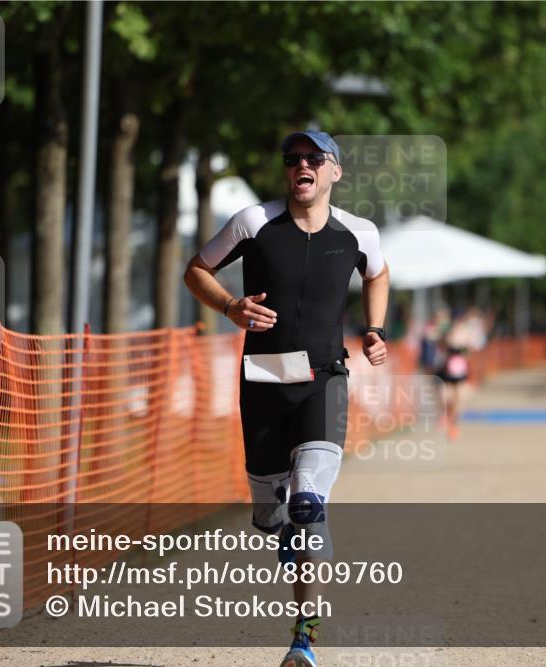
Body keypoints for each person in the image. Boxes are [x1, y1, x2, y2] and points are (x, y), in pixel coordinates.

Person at [183, 130, 389, 667]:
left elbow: (379, 272)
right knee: (271, 515)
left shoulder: (357, 232)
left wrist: (375, 329)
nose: (302, 165)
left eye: (313, 158)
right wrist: (231, 306)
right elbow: (196, 270)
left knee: (308, 505)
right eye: (293, 158)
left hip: (325, 380)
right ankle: (279, 527)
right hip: (263, 384)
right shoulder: (254, 222)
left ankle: (305, 637)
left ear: (333, 172)